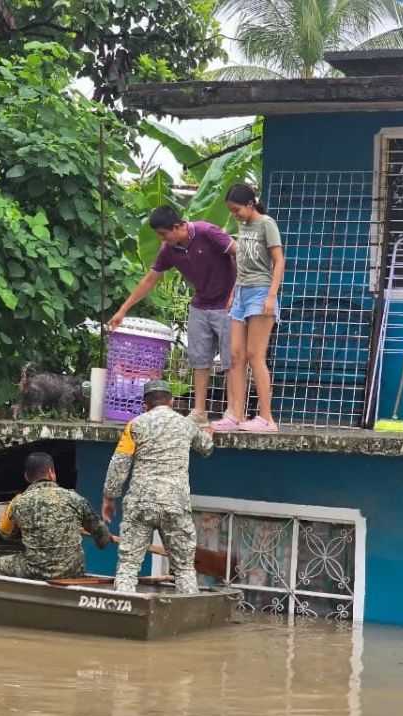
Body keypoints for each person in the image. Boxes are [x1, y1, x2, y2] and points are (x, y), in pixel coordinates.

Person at [108, 206, 236, 426]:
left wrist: (236, 293)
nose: (161, 239)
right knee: (199, 359)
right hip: (200, 305)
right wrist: (123, 310)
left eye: (163, 234)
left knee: (230, 360)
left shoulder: (207, 232)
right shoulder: (168, 250)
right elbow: (149, 280)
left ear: (177, 226)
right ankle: (199, 412)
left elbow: (238, 253)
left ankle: (232, 412)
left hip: (227, 305)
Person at [102, 380, 214, 594]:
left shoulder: (135, 425)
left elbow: (119, 463)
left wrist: (109, 497)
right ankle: (189, 616)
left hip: (141, 505)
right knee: (184, 569)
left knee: (128, 566)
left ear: (145, 405)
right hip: (175, 505)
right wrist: (208, 436)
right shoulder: (186, 424)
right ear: (171, 401)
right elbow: (206, 448)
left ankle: (123, 609)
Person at [211, 183, 286, 433]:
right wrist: (233, 292)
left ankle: (266, 418)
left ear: (250, 204)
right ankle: (236, 414)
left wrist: (271, 295)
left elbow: (278, 261)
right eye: (232, 211)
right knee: (235, 356)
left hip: (261, 291)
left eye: (237, 209)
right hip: (241, 293)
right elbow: (242, 263)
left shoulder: (267, 224)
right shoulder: (241, 226)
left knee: (255, 355)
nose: (235, 215)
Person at [0, 452, 112, 580]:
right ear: (51, 472)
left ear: (26, 476)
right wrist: (103, 539)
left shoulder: (18, 502)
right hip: (73, 570)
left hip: (35, 570)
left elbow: (6, 535)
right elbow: (103, 539)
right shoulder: (75, 499)